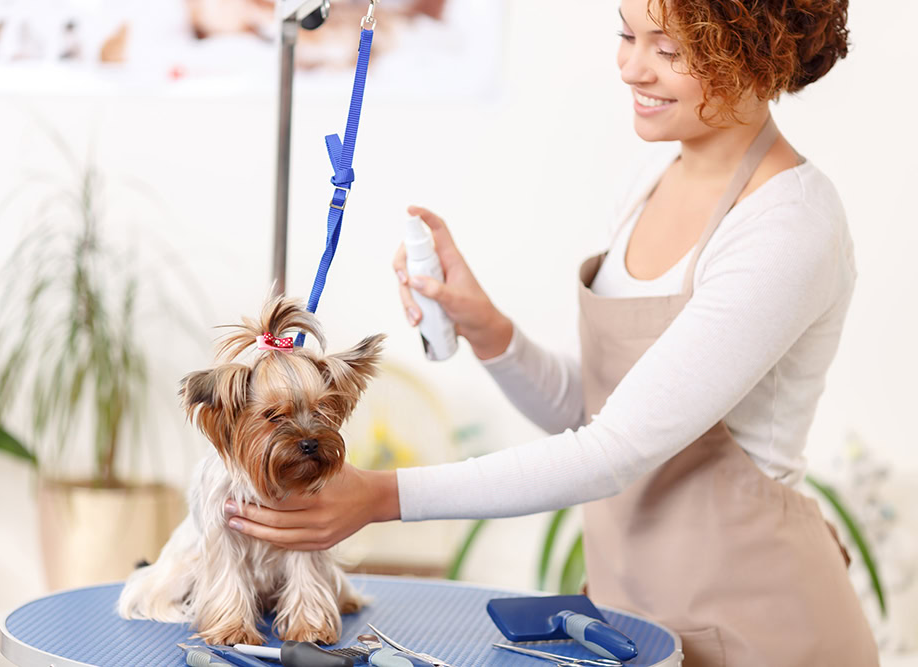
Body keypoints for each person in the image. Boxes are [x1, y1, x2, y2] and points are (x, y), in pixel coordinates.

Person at [224, 0, 879, 663]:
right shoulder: (654, 177)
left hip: (761, 628)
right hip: (637, 616)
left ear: (753, 49)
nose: (631, 68)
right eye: (627, 35)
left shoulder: (789, 224)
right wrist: (488, 329)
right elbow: (594, 410)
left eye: (669, 50)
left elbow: (613, 448)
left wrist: (385, 495)